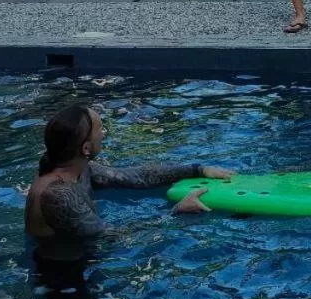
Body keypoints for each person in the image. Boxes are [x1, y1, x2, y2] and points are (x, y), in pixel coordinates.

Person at [24, 104, 231, 262]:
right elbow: (108, 237)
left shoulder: (77, 168)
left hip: (83, 260)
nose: (104, 134)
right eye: (100, 128)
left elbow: (136, 177)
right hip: (59, 281)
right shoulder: (57, 195)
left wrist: (197, 169)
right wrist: (176, 212)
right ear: (86, 148)